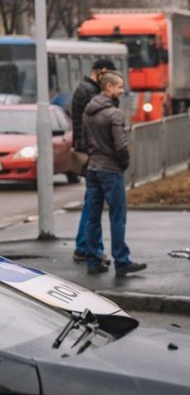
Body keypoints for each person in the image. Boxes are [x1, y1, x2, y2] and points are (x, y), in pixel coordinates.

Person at [81, 71, 146, 276]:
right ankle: (122, 261)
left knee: (93, 217)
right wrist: (124, 163)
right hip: (110, 170)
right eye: (119, 87)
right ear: (108, 87)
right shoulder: (114, 114)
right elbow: (121, 145)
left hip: (92, 168)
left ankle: (93, 261)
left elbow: (84, 141)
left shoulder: (87, 111)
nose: (122, 90)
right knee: (117, 217)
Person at [70, 59, 115, 265]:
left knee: (92, 202)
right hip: (94, 154)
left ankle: (85, 246)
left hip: (88, 151)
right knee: (93, 204)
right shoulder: (91, 93)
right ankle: (88, 248)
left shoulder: (84, 90)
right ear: (102, 73)